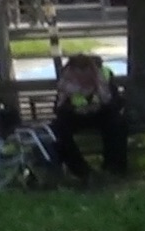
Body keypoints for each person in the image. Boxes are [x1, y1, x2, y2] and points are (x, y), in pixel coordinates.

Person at [51, 55, 128, 184]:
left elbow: (116, 101)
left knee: (118, 124)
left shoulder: (104, 76)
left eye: (85, 70)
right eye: (78, 71)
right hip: (75, 116)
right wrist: (74, 109)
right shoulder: (66, 80)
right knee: (58, 130)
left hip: (100, 114)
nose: (82, 75)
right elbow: (58, 108)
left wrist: (99, 106)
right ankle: (82, 171)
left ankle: (113, 169)